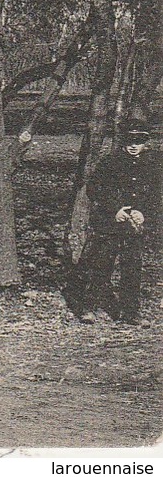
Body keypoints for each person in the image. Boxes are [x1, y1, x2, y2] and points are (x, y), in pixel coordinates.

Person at [69, 114, 157, 325]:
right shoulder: (111, 162)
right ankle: (88, 307)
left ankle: (130, 312)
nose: (134, 146)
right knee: (102, 264)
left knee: (132, 267)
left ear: (146, 142)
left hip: (136, 225)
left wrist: (144, 212)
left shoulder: (153, 164)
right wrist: (114, 210)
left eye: (139, 141)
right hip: (111, 223)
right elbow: (94, 189)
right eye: (130, 141)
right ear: (123, 142)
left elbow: (156, 194)